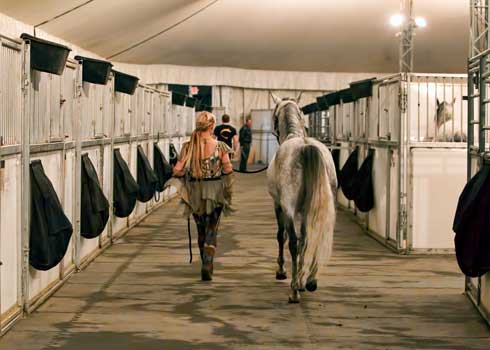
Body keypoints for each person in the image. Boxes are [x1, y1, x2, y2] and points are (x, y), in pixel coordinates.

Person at [170, 111, 234, 281]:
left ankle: (203, 259)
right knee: (212, 226)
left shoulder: (188, 146)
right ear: (212, 126)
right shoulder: (220, 146)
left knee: (200, 228)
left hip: (195, 191)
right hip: (215, 190)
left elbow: (177, 170)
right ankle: (208, 259)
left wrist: (183, 171)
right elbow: (228, 169)